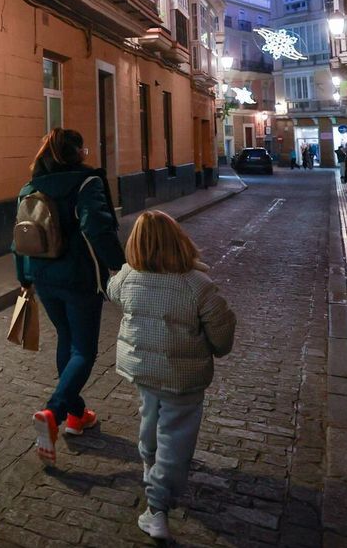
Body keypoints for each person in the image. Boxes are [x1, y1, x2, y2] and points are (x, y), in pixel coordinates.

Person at [107, 211, 236, 542]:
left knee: (150, 421)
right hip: (182, 377)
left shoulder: (127, 277)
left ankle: (151, 467)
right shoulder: (197, 285)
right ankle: (157, 507)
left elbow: (112, 291)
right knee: (175, 439)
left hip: (142, 371)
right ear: (179, 239)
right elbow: (222, 337)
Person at [14, 128, 124, 465]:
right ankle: (53, 412)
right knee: (83, 350)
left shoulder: (30, 188)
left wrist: (24, 278)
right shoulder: (86, 184)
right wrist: (120, 267)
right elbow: (97, 227)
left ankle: (77, 414)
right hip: (79, 279)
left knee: (66, 338)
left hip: (43, 278)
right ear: (77, 153)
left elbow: (20, 236)